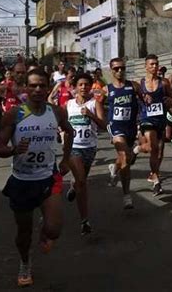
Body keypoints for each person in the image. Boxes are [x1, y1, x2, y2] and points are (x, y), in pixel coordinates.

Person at [0, 68, 73, 287]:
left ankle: (45, 232)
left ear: (48, 87)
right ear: (26, 88)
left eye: (42, 85)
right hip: (22, 181)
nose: (38, 89)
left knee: (54, 229)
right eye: (33, 85)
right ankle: (25, 263)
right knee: (23, 232)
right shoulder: (14, 114)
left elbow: (70, 132)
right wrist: (13, 150)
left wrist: (66, 159)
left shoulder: (57, 112)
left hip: (48, 177)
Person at [65, 73, 106, 234]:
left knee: (80, 181)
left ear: (91, 87)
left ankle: (73, 186)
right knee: (82, 181)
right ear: (75, 87)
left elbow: (103, 125)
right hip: (73, 147)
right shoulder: (68, 104)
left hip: (90, 148)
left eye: (86, 84)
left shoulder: (94, 104)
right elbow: (62, 122)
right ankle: (84, 220)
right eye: (80, 84)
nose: (83, 87)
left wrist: (90, 115)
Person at [103, 58, 142, 208]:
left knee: (125, 156)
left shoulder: (134, 86)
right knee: (125, 156)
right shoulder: (107, 90)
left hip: (131, 127)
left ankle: (114, 167)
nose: (120, 71)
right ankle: (127, 195)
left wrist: (147, 99)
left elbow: (146, 101)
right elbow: (96, 105)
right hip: (116, 128)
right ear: (111, 70)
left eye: (122, 68)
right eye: (116, 69)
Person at [133, 54, 172, 196]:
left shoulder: (164, 83)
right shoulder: (140, 83)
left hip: (160, 120)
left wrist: (170, 101)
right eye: (151, 64)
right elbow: (135, 100)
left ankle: (138, 150)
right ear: (146, 66)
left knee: (157, 151)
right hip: (146, 119)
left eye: (156, 64)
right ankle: (156, 180)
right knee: (153, 146)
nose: (154, 67)